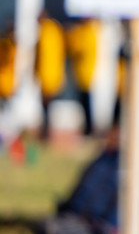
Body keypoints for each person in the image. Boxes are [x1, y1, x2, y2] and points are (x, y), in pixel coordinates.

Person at [34, 10, 65, 143]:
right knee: (48, 106)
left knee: (46, 106)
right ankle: (46, 132)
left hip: (47, 74)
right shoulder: (56, 30)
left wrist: (35, 72)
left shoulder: (45, 32)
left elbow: (41, 56)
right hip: (54, 74)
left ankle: (46, 133)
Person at [65, 17, 99, 138]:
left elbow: (78, 49)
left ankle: (89, 129)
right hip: (82, 73)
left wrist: (70, 35)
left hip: (85, 73)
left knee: (86, 103)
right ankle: (87, 128)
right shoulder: (88, 31)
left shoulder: (88, 32)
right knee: (84, 103)